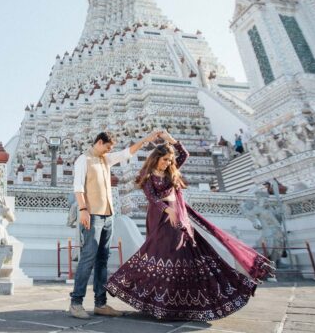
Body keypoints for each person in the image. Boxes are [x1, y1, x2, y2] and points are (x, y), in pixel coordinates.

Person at [105, 131, 274, 321]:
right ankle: (158, 302)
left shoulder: (171, 171)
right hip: (160, 215)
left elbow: (184, 154)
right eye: (165, 160)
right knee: (160, 255)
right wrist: (166, 210)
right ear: (156, 158)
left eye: (170, 160)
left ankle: (180, 304)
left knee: (182, 255)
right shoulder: (147, 174)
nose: (168, 163)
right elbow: (151, 197)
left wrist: (171, 140)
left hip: (178, 214)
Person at [69, 130, 161, 319]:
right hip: (92, 215)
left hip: (108, 215)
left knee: (103, 259)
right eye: (108, 147)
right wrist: (83, 209)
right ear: (100, 142)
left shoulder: (105, 159)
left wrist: (146, 138)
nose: (110, 151)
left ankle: (100, 303)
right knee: (87, 258)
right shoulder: (83, 160)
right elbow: (78, 187)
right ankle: (76, 303)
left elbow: (127, 153)